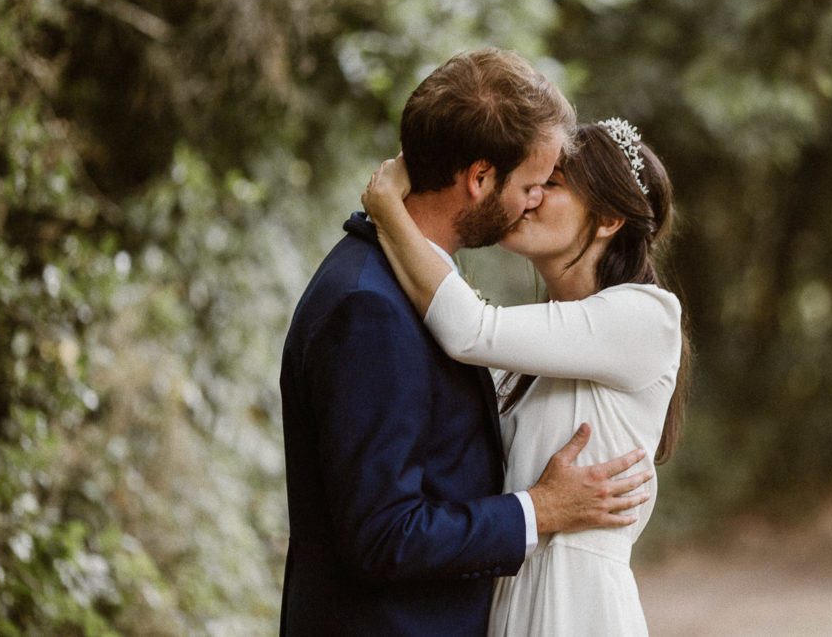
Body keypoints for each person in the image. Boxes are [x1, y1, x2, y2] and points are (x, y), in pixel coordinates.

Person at [278, 49, 655, 636]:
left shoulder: (407, 291)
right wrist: (540, 508)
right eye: (533, 184)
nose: (531, 201)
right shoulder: (370, 306)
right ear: (479, 179)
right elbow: (381, 535)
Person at [362, 117, 691, 636]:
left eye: (550, 186)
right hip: (513, 593)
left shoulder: (646, 316)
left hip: (578, 605)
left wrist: (386, 211)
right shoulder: (536, 354)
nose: (528, 197)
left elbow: (469, 330)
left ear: (606, 219)